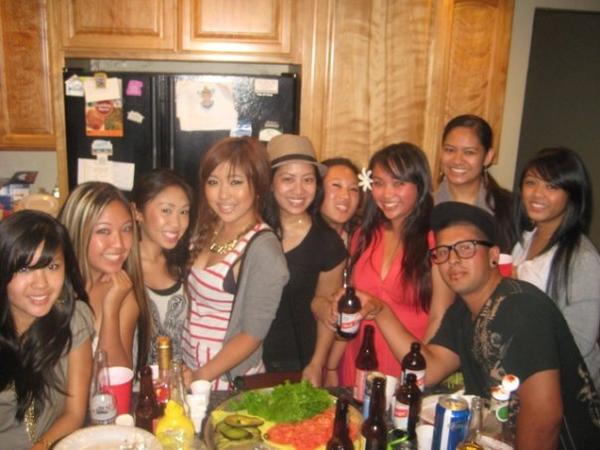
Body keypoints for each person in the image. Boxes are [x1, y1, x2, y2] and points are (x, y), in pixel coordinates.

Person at [363, 201, 600, 450]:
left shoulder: (520, 307)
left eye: (466, 248)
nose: (453, 260)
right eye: (443, 252)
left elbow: (544, 417)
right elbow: (429, 368)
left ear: (493, 256)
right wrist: (381, 311)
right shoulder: (463, 310)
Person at [319, 143, 454, 387]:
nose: (386, 193)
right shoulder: (363, 236)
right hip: (356, 365)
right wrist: (331, 366)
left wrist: (420, 372)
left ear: (420, 185)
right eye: (379, 183)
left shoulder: (436, 242)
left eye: (398, 183)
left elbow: (439, 316)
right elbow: (351, 310)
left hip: (404, 368)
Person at [181, 137, 289, 390]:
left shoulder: (264, 250)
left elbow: (252, 335)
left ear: (258, 185)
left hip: (223, 378)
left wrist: (200, 377)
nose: (223, 195)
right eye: (213, 182)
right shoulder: (209, 226)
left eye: (236, 182)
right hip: (190, 366)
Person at [0, 210, 94, 450]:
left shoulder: (73, 319)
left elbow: (74, 413)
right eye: (25, 269)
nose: (41, 284)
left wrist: (41, 446)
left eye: (52, 266)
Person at [512, 147, 600, 390]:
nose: (537, 194)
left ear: (572, 194)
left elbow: (578, 343)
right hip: (522, 373)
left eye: (551, 186)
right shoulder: (524, 241)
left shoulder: (583, 259)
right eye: (531, 183)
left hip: (563, 388)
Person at [262, 134, 347, 384]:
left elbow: (326, 310)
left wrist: (317, 364)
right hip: (244, 358)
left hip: (295, 363)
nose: (299, 190)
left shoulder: (328, 243)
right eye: (288, 179)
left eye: (307, 179)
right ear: (270, 183)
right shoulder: (252, 230)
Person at [59, 181, 150, 370]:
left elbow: (117, 375)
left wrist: (111, 309)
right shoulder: (51, 285)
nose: (119, 243)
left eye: (126, 229)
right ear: (77, 230)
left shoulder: (122, 290)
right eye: (103, 231)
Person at [132, 169, 194, 363]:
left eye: (184, 212)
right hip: (137, 380)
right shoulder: (121, 269)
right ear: (137, 212)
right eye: (166, 210)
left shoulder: (187, 264)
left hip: (182, 379)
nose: (177, 223)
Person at [435, 114, 516, 252]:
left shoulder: (509, 208)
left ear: (488, 156)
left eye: (469, 152)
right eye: (449, 150)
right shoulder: (423, 208)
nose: (457, 160)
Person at [320, 157, 362, 245]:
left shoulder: (362, 242)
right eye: (336, 185)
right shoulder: (297, 236)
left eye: (353, 189)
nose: (345, 196)